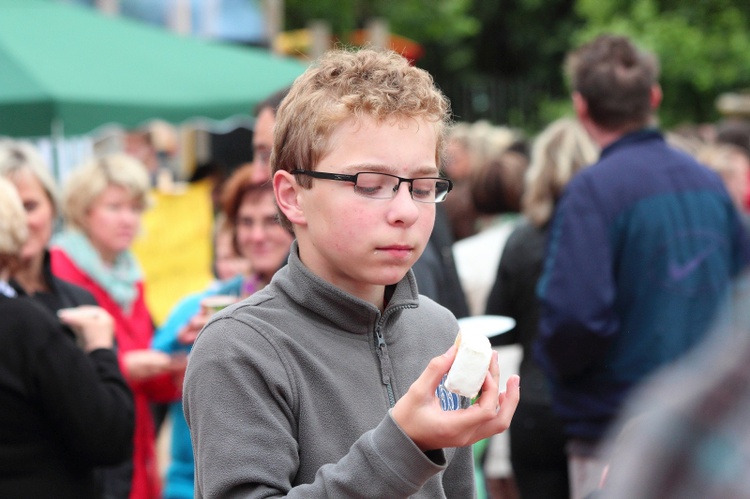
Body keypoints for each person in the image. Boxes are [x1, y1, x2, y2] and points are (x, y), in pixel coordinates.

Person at [183, 48, 520, 498]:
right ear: (291, 196)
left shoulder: (437, 329)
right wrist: (403, 446)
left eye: (422, 187)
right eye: (370, 184)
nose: (405, 211)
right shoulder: (240, 348)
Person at [534, 34, 750, 499]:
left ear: (581, 107)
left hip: (616, 429)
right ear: (654, 97)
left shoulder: (593, 191)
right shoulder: (709, 182)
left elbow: (575, 317)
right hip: (709, 426)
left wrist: (564, 379)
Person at [0, 138, 135, 498]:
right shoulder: (15, 317)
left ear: (51, 208)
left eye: (29, 205)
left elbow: (111, 426)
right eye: (9, 207)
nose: (20, 221)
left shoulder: (78, 297)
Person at [152, 167, 294, 499]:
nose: (257, 235)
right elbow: (149, 380)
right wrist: (183, 349)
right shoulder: (205, 305)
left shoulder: (312, 306)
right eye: (246, 222)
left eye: (270, 220)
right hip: (191, 483)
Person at [51, 153, 184, 499]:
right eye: (114, 207)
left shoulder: (130, 277)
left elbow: (150, 376)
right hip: (89, 462)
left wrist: (179, 353)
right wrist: (125, 367)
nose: (128, 219)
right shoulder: (57, 272)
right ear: (83, 210)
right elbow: (55, 377)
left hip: (136, 455)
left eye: (135, 208)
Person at [486, 117, 599, 499]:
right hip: (595, 404)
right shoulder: (609, 240)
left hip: (535, 402)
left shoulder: (521, 240)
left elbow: (499, 323)